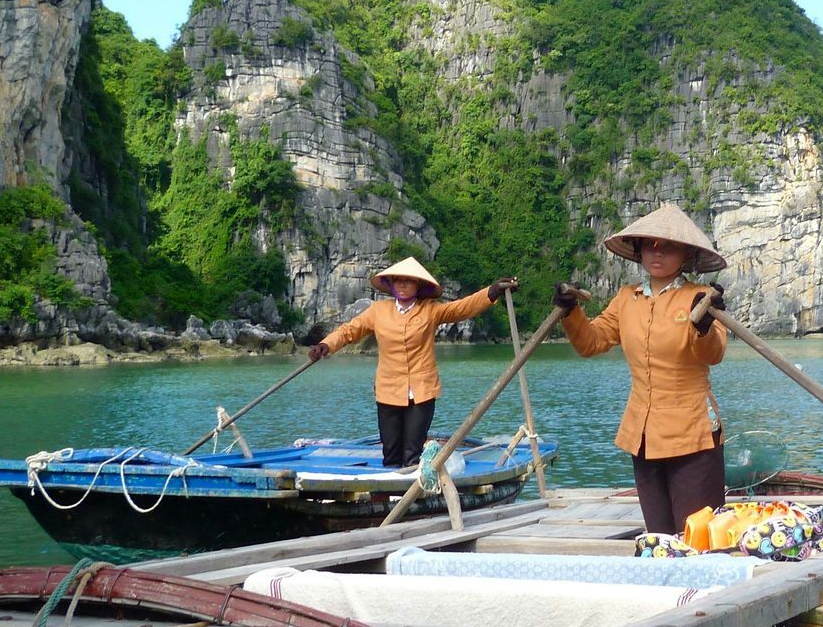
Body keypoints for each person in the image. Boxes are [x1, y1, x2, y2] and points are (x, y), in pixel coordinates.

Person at [553, 204, 728, 536]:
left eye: (669, 246)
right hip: (643, 433)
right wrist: (570, 312)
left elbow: (713, 353)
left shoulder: (701, 297)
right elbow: (591, 342)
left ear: (687, 254)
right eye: (650, 244)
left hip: (692, 432)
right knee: (660, 537)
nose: (657, 253)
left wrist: (703, 325)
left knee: (699, 536)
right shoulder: (626, 298)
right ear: (639, 250)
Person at [310, 258, 517, 469]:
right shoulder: (378, 310)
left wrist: (492, 292)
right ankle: (390, 496)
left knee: (412, 452)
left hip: (422, 391)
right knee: (391, 452)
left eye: (409, 281)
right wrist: (326, 345)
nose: (402, 284)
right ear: (391, 284)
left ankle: (412, 495)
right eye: (398, 280)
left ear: (418, 285)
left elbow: (462, 308)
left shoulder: (430, 310)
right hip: (388, 390)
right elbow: (349, 331)